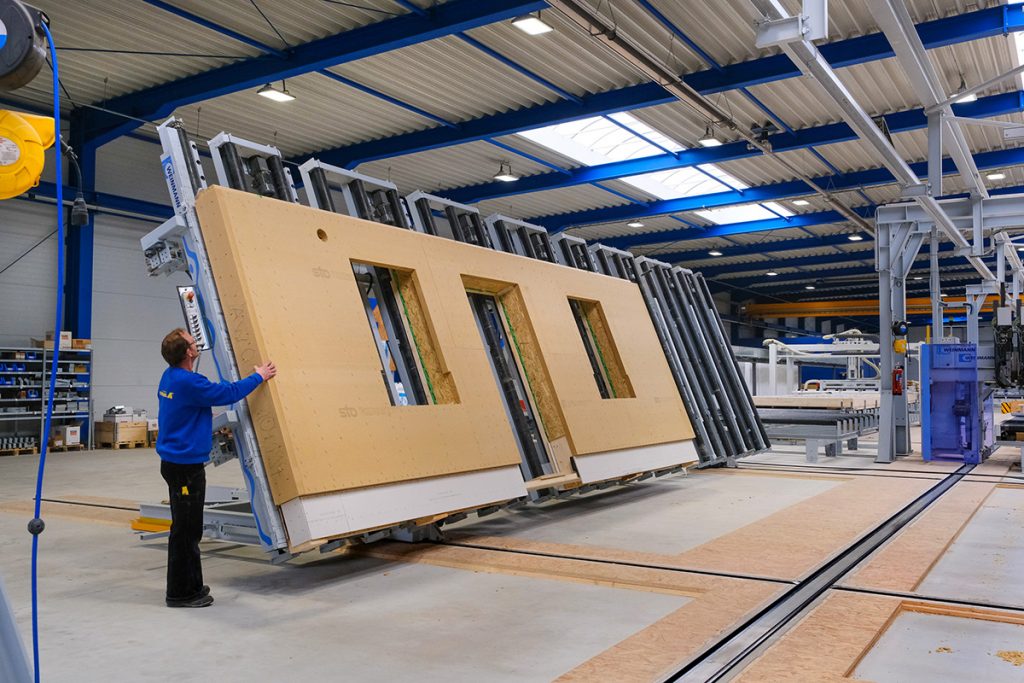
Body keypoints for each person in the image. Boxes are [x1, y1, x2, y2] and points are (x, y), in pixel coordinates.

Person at [156, 328, 276, 608]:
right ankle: (181, 593)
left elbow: (187, 407)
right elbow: (228, 393)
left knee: (185, 528)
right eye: (192, 341)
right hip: (185, 468)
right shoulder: (189, 382)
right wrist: (260, 375)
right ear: (188, 352)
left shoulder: (171, 377)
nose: (196, 343)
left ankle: (191, 585)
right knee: (186, 531)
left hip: (175, 463)